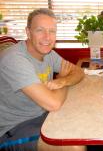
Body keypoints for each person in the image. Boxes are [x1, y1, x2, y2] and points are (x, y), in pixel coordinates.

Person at [0, 8, 86, 151]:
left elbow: (78, 71)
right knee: (74, 146)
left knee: (84, 115)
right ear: (28, 32)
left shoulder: (48, 53)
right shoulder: (14, 59)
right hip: (14, 129)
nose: (47, 37)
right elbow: (54, 104)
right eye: (40, 30)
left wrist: (62, 81)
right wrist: (63, 78)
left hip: (42, 114)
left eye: (52, 31)